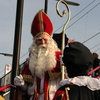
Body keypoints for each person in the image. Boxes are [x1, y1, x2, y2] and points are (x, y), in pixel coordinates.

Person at [14, 9, 68, 100]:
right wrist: (21, 84)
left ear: (50, 41)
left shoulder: (59, 57)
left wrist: (66, 68)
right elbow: (26, 90)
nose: (42, 42)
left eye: (45, 39)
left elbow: (68, 80)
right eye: (39, 40)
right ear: (35, 43)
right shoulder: (31, 61)